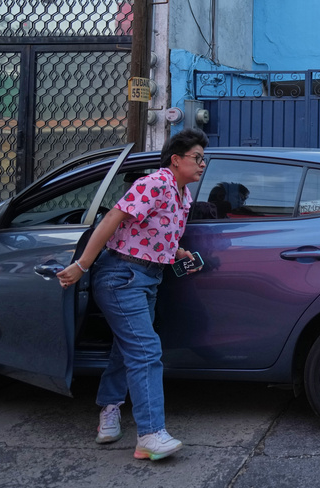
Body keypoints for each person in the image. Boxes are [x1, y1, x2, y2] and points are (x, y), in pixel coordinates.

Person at [56, 128, 208, 460]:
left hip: (149, 277)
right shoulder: (154, 183)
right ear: (176, 159)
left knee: (127, 349)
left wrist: (178, 252)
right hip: (121, 275)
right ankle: (150, 434)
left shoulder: (183, 195)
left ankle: (109, 409)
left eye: (203, 159)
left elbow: (156, 231)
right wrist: (82, 265)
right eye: (197, 158)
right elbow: (113, 218)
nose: (202, 164)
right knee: (145, 351)